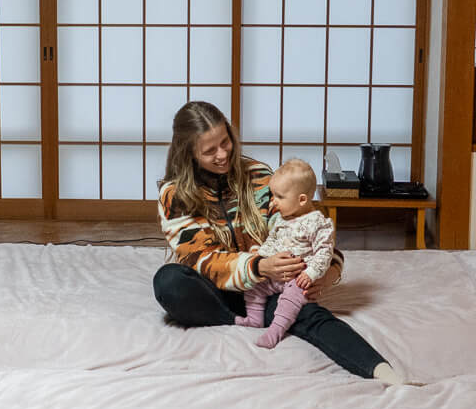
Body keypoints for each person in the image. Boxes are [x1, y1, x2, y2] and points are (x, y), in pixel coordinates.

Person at [152, 100, 405, 384]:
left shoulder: (259, 176)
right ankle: (238, 317)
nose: (223, 154)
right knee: (169, 282)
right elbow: (201, 259)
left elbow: (306, 231)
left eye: (226, 142)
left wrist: (328, 270)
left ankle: (381, 370)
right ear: (189, 153)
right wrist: (259, 266)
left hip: (267, 285)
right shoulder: (175, 195)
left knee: (309, 314)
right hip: (214, 288)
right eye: (210, 151)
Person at [235, 157, 335, 349]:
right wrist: (262, 258)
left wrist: (311, 273)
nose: (273, 202)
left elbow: (324, 252)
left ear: (302, 200)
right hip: (276, 273)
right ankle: (254, 319)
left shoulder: (317, 222)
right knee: (253, 284)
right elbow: (272, 241)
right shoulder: (282, 219)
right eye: (273, 196)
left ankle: (276, 330)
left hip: (298, 277)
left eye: (279, 197)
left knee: (290, 299)